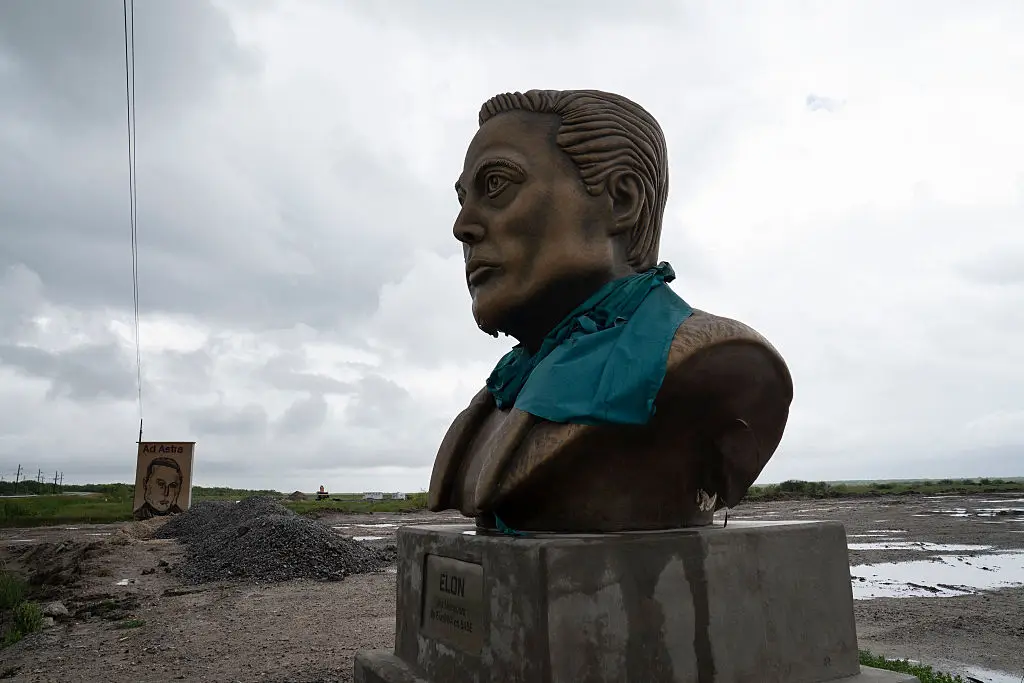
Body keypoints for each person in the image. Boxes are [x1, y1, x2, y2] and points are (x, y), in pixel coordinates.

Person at [428, 89, 794, 532]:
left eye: (496, 185)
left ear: (622, 201)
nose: (462, 227)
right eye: (463, 198)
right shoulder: (504, 389)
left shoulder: (716, 358)